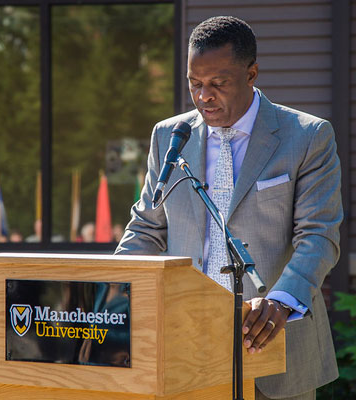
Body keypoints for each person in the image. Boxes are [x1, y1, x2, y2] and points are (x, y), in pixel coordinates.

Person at [115, 16, 342, 400]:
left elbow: (318, 236)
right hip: (185, 346)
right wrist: (110, 292)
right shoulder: (170, 136)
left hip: (272, 344)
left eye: (218, 84)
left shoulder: (307, 137)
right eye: (195, 84)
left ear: (251, 73)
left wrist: (280, 302)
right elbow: (147, 228)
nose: (204, 96)